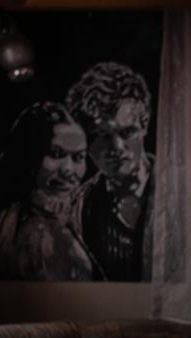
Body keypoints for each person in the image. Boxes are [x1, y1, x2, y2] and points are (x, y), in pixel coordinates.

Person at [0, 101, 96, 281]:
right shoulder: (23, 230)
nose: (69, 169)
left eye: (78, 157)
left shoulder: (72, 213)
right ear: (29, 155)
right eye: (56, 154)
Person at [65, 62, 155, 282]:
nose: (117, 148)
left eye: (127, 132)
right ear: (85, 140)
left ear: (144, 126)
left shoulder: (182, 192)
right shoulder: (78, 208)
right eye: (102, 136)